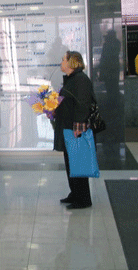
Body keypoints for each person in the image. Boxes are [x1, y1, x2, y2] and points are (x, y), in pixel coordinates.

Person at [54, 51, 94, 209]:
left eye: (63, 59)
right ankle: (75, 193)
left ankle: (83, 199)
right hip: (68, 127)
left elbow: (83, 105)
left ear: (72, 62)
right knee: (71, 162)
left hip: (76, 129)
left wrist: (79, 127)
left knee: (78, 163)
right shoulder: (72, 79)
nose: (61, 62)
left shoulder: (80, 80)